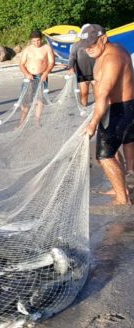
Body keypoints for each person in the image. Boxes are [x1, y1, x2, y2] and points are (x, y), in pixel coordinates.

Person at [80, 24, 134, 206]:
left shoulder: (112, 58)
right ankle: (122, 188)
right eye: (85, 45)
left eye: (92, 44)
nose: (88, 48)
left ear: (103, 38)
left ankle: (122, 198)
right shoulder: (107, 51)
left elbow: (103, 94)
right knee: (112, 150)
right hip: (120, 108)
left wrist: (92, 124)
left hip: (119, 110)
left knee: (104, 156)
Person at [19, 30, 55, 127]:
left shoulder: (46, 48)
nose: (36, 43)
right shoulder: (27, 49)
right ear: (31, 41)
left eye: (38, 40)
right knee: (26, 100)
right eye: (34, 41)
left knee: (40, 100)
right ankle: (21, 123)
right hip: (29, 76)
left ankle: (37, 122)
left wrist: (46, 73)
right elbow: (21, 64)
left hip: (42, 76)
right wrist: (27, 74)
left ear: (41, 39)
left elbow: (52, 62)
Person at [68, 25, 96, 107]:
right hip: (82, 72)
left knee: (97, 92)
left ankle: (97, 108)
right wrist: (71, 67)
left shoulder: (95, 44)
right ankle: (84, 107)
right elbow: (72, 57)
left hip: (95, 71)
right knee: (84, 93)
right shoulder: (76, 45)